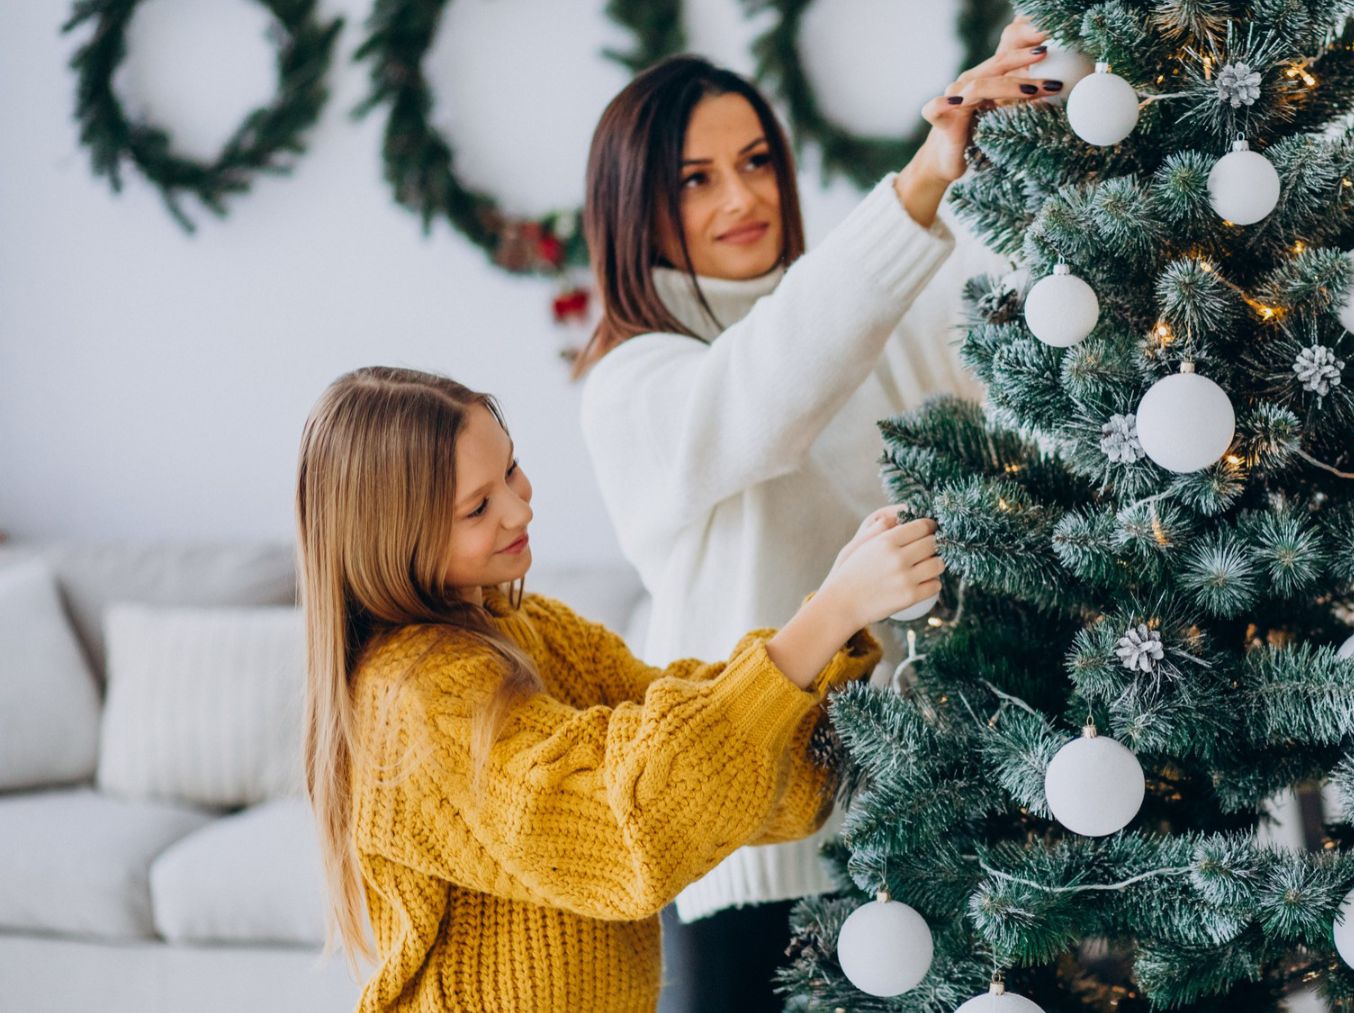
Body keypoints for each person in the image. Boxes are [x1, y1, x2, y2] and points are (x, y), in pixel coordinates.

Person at [570, 16, 1055, 1010]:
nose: (743, 196)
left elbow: (1010, 303)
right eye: (694, 178)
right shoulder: (633, 380)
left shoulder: (857, 306)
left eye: (754, 160)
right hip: (753, 851)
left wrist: (1032, 127)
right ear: (633, 205)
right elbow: (767, 395)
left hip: (923, 816)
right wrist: (920, 181)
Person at [296, 366, 941, 1012]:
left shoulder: (536, 626)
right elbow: (625, 831)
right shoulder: (413, 699)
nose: (520, 507)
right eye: (478, 506)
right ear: (395, 537)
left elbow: (706, 755)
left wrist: (835, 623)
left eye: (512, 471)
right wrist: (826, 614)